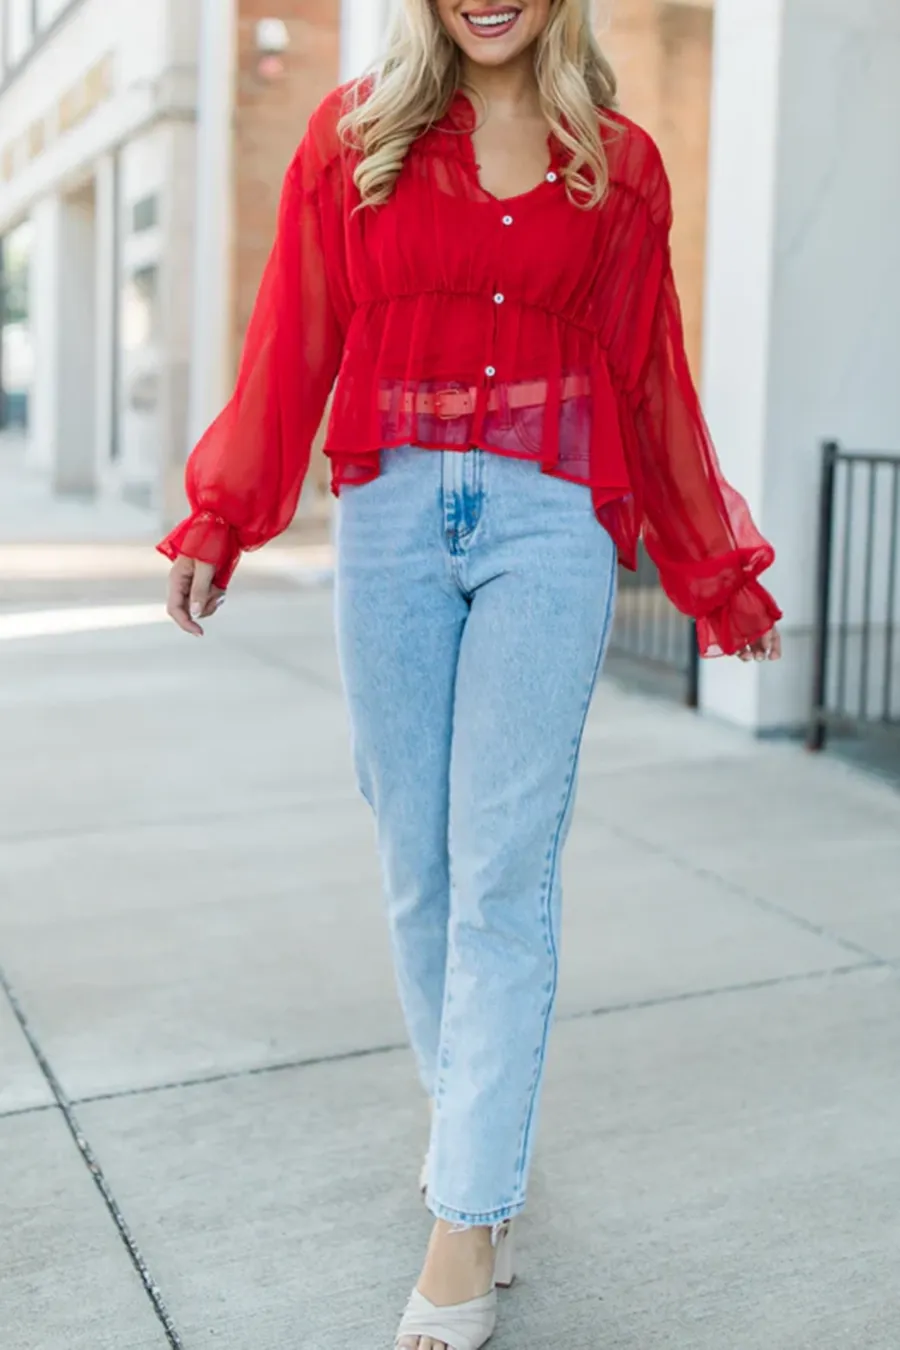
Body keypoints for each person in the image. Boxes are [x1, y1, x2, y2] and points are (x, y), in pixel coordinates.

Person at [160, 1, 783, 1345]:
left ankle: (467, 1218)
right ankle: (477, 1139)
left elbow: (651, 377)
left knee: (501, 868)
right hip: (387, 518)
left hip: (550, 525)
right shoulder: (353, 142)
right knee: (418, 860)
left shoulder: (613, 165)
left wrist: (711, 567)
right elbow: (291, 344)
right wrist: (225, 509)